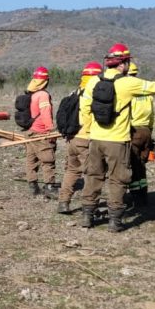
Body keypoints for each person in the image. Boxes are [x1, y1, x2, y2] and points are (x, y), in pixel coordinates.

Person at [79, 44, 155, 232]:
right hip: (117, 141)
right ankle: (115, 220)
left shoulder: (93, 82)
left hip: (96, 139)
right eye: (129, 61)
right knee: (117, 179)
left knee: (93, 176)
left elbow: (85, 110)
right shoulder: (128, 83)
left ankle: (87, 215)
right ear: (124, 63)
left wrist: (90, 131)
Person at [56, 62, 102, 214]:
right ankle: (89, 207)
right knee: (92, 173)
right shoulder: (94, 94)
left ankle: (63, 202)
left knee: (72, 171)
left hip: (72, 139)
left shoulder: (74, 93)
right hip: (86, 139)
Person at [25, 66, 58, 199]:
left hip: (30, 132)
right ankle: (49, 188)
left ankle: (33, 186)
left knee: (31, 161)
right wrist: (51, 129)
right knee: (47, 161)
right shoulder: (43, 95)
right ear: (46, 81)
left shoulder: (31, 93)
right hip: (41, 133)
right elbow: (45, 114)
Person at [127, 62, 155, 211]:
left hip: (134, 131)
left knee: (132, 164)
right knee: (141, 164)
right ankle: (144, 194)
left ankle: (136, 198)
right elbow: (152, 115)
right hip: (146, 131)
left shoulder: (129, 91)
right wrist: (149, 130)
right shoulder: (146, 92)